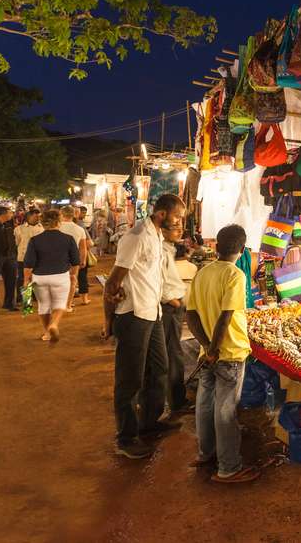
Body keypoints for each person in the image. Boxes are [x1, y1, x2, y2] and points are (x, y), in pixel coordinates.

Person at [103, 194, 187, 460]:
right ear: (162, 214)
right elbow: (113, 282)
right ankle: (126, 438)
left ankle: (149, 422)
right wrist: (109, 321)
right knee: (130, 378)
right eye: (177, 217)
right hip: (134, 315)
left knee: (159, 369)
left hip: (153, 313)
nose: (180, 222)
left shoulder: (157, 237)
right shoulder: (136, 236)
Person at [185, 224, 260, 483]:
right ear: (242, 249)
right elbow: (226, 316)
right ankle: (228, 467)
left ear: (216, 246)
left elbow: (191, 314)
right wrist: (215, 348)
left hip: (209, 353)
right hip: (229, 352)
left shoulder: (203, 273)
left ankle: (207, 452)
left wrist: (206, 346)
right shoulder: (235, 275)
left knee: (205, 405)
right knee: (225, 410)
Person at [22, 210, 80, 342]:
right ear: (58, 222)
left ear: (43, 223)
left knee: (43, 305)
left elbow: (28, 263)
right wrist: (74, 275)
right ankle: (54, 324)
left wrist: (26, 280)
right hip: (60, 276)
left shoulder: (35, 240)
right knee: (59, 304)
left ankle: (46, 333)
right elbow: (76, 260)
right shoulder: (68, 239)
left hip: (39, 277)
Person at [161, 226, 190, 415]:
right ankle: (175, 401)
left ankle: (172, 399)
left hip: (172, 306)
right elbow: (159, 282)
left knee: (172, 353)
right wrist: (175, 302)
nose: (180, 230)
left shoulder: (167, 249)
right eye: (175, 227)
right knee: (173, 354)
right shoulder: (161, 251)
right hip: (170, 308)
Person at [58, 206, 89, 311]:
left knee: (58, 282)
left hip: (56, 259)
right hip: (73, 259)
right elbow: (83, 248)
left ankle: (27, 306)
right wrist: (83, 260)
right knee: (72, 280)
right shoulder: (79, 229)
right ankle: (68, 305)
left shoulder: (56, 227)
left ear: (61, 214)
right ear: (73, 215)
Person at [14, 208, 44, 291]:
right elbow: (16, 243)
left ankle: (35, 297)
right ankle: (24, 300)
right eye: (35, 217)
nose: (38, 218)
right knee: (23, 279)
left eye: (39, 217)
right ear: (28, 217)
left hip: (39, 258)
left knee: (37, 279)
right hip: (23, 258)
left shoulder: (43, 228)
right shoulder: (19, 229)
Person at [74, 205, 94, 305]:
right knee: (78, 277)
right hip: (30, 264)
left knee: (26, 281)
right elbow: (87, 244)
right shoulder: (79, 228)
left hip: (36, 266)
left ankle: (27, 307)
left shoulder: (58, 228)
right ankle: (27, 307)